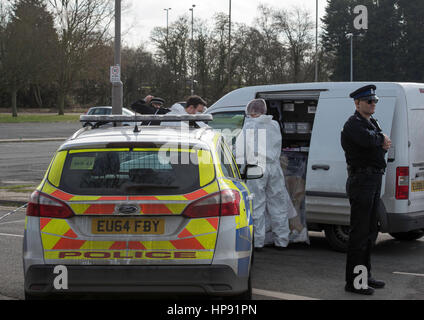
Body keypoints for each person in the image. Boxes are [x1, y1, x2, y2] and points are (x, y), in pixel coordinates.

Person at [341, 84, 391, 295]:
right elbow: (370, 140)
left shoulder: (371, 122)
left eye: (374, 101)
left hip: (373, 178)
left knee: (371, 232)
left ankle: (365, 275)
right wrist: (381, 140)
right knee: (360, 233)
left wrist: (380, 141)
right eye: (368, 101)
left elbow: (378, 141)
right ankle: (355, 282)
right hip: (362, 179)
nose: (372, 104)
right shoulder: (353, 124)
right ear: (357, 103)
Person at [235, 99, 290, 251]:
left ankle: (258, 241)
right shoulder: (274, 124)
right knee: (278, 203)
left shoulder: (249, 125)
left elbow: (240, 151)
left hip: (256, 168)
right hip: (274, 167)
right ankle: (282, 240)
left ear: (251, 111)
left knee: (257, 204)